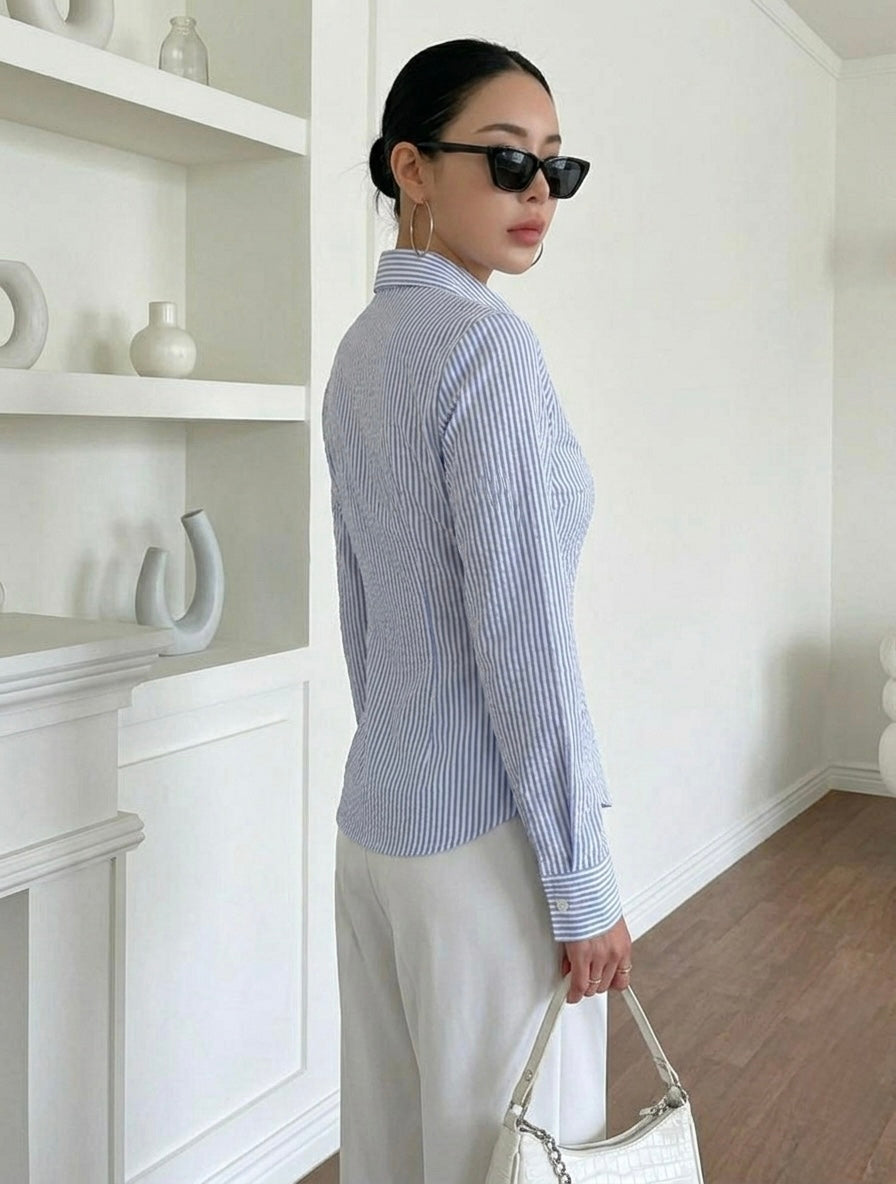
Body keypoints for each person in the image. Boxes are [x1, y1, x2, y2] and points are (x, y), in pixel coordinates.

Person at [322, 36, 633, 1184]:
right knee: (521, 1156)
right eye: (507, 161)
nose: (538, 191)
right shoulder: (485, 349)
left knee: (394, 1153)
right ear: (410, 166)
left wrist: (393, 749)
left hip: (376, 825)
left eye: (557, 166)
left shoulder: (362, 350)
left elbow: (362, 606)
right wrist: (581, 880)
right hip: (483, 845)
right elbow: (525, 640)